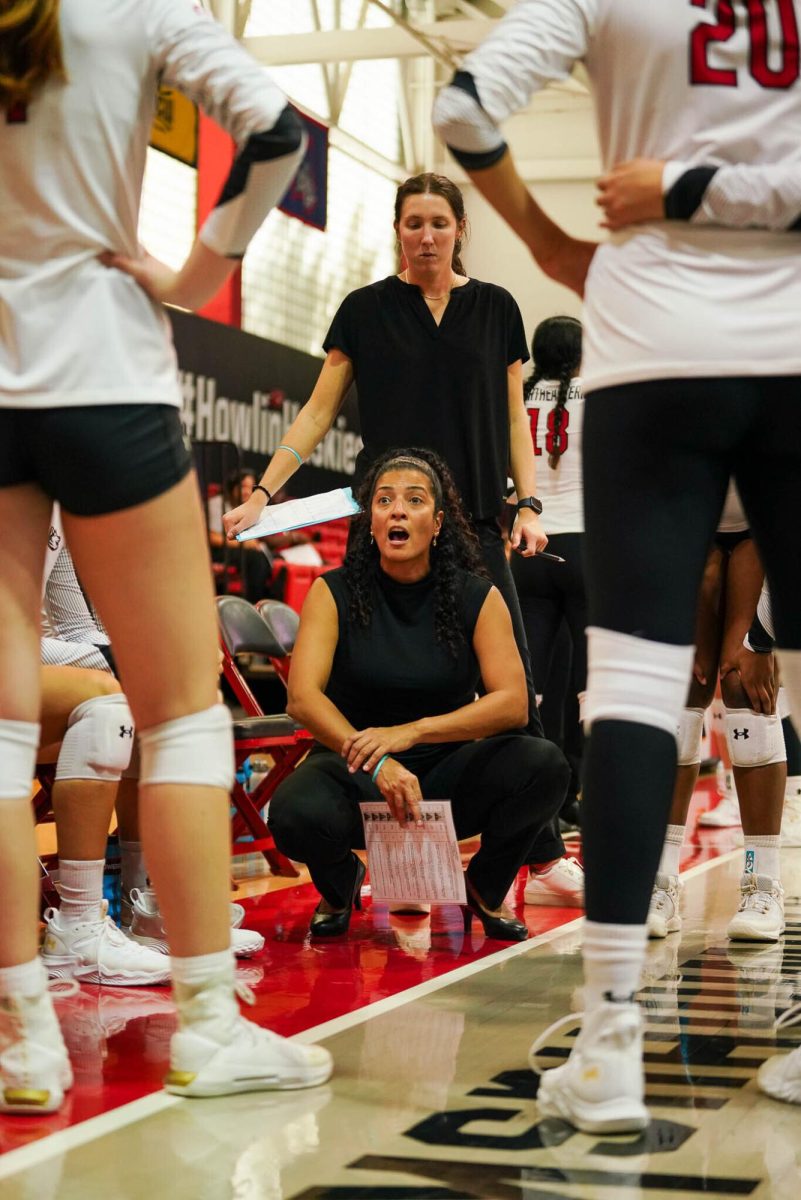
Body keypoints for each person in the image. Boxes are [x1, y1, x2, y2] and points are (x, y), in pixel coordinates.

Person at [432, 0, 801, 1129]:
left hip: (650, 345)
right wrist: (721, 189)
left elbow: (463, 104)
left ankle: (611, 1046)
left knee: (637, 691)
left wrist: (554, 238)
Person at [0, 0, 331, 1114]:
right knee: (185, 711)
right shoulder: (136, 7)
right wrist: (196, 273)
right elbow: (282, 132)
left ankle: (21, 1041)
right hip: (104, 368)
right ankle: (206, 1028)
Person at [224, 170, 574, 893]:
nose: (425, 235)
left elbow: (513, 416)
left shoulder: (495, 309)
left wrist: (529, 503)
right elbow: (318, 411)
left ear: (459, 231)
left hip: (475, 525)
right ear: (397, 229)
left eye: (438, 223)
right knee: (370, 687)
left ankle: (537, 858)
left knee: (519, 697)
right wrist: (264, 491)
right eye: (412, 222)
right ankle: (394, 855)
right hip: (384, 526)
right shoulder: (364, 311)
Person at [267, 449, 570, 941]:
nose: (398, 510)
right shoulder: (333, 592)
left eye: (414, 499)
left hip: (447, 777)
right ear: (371, 521)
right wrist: (378, 760)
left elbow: (513, 702)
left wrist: (411, 733)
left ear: (439, 522)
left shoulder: (478, 595)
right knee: (294, 812)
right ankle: (342, 883)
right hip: (358, 769)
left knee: (545, 764)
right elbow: (302, 698)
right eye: (384, 500)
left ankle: (486, 889)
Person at [648, 485, 787, 943]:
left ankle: (763, 883)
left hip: (770, 536)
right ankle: (660, 881)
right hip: (691, 534)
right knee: (680, 690)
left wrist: (763, 641)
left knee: (743, 687)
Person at [509, 316, 586, 908]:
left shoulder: (517, 393)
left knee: (529, 694)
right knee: (591, 693)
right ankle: (586, 809)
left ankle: (539, 824)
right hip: (585, 545)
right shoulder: (597, 395)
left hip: (529, 543)